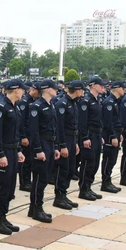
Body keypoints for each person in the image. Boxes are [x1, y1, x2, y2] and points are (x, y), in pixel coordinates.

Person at [0, 79, 25, 235]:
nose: (24, 92)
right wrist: (0, 154)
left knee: (10, 188)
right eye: (22, 90)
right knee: (1, 186)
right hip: (3, 152)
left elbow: (15, 132)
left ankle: (3, 216)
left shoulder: (14, 106)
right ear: (16, 90)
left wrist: (18, 150)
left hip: (12, 150)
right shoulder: (0, 106)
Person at [27, 80, 58, 223]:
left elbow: (54, 127)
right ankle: (36, 209)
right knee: (40, 178)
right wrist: (38, 149)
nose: (56, 90)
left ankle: (34, 207)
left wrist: (56, 146)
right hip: (41, 144)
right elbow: (33, 131)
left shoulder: (50, 105)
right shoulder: (36, 106)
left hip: (50, 143)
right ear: (46, 89)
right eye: (54, 88)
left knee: (45, 177)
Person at [53, 81, 84, 210]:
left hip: (72, 138)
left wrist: (75, 142)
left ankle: (64, 194)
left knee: (71, 169)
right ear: (77, 90)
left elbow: (75, 124)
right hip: (64, 138)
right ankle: (59, 197)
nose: (83, 92)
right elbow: (59, 127)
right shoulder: (62, 104)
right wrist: (62, 145)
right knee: (63, 169)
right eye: (81, 90)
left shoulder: (74, 103)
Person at [78, 77, 106, 201]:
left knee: (94, 163)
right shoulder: (86, 100)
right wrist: (84, 137)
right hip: (89, 134)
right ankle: (83, 189)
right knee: (88, 162)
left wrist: (101, 136)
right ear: (93, 85)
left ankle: (89, 187)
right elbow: (82, 121)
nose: (103, 87)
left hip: (96, 134)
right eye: (101, 85)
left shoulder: (97, 99)